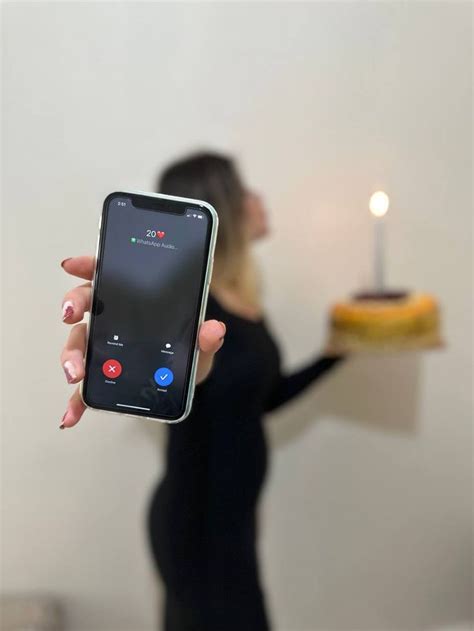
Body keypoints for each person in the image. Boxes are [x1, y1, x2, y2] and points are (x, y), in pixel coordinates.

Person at [59, 152, 344, 631]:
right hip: (196, 526)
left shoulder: (242, 299)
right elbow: (198, 377)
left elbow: (261, 399)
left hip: (233, 519)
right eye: (245, 189)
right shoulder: (193, 304)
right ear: (220, 205)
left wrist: (335, 353)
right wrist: (156, 345)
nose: (259, 199)